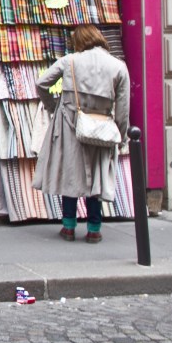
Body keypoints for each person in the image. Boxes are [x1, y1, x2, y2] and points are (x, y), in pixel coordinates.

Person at [33, 24, 130, 243]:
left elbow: (41, 83)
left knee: (71, 174)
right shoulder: (118, 66)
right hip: (102, 127)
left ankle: (68, 227)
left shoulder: (70, 61)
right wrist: (121, 135)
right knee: (95, 177)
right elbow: (123, 109)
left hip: (70, 125)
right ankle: (94, 229)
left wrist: (52, 106)